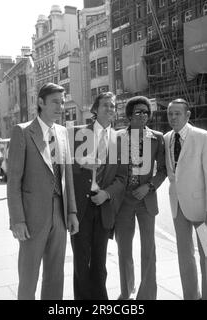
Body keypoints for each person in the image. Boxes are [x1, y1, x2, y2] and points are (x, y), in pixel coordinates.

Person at [7, 83, 79, 300]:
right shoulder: (22, 132)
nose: (61, 106)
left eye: (62, 102)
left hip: (59, 214)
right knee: (29, 276)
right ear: (41, 102)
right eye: (56, 101)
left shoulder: (63, 132)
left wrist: (72, 212)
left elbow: (67, 177)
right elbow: (13, 182)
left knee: (56, 275)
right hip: (32, 217)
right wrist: (17, 220)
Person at [70, 92, 127, 300]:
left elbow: (123, 177)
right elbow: (62, 165)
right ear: (95, 109)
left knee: (100, 264)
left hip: (103, 207)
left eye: (113, 106)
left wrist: (107, 194)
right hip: (81, 207)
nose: (110, 109)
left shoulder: (120, 139)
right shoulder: (78, 134)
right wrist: (80, 164)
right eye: (106, 105)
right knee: (81, 262)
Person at [164, 98, 207, 300]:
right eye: (170, 113)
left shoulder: (204, 137)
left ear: (188, 115)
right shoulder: (166, 138)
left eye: (177, 113)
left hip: (203, 208)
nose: (172, 117)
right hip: (177, 206)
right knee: (184, 256)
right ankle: (191, 296)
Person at [115, 96, 166, 300]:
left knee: (149, 251)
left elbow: (162, 170)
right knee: (124, 250)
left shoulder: (157, 137)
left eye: (146, 112)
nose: (143, 115)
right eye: (138, 112)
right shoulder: (117, 137)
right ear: (129, 115)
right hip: (123, 201)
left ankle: (147, 296)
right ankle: (126, 292)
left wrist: (149, 186)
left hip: (146, 200)